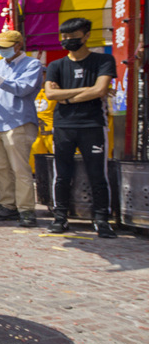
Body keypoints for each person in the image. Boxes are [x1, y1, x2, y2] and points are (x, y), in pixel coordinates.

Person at [43, 17, 117, 237]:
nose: (67, 41)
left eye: (73, 37)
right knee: (62, 174)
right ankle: (60, 217)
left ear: (86, 36)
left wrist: (66, 97)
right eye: (64, 37)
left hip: (93, 124)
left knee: (97, 174)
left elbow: (100, 90)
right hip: (63, 126)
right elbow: (50, 94)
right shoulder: (56, 65)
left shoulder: (103, 60)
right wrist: (86, 91)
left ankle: (102, 219)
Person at [0, 30, 45, 227]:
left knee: (20, 169)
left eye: (5, 47)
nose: (1, 51)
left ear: (18, 45)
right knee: (1, 168)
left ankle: (26, 209)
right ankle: (7, 205)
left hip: (18, 122)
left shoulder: (32, 65)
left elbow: (22, 89)